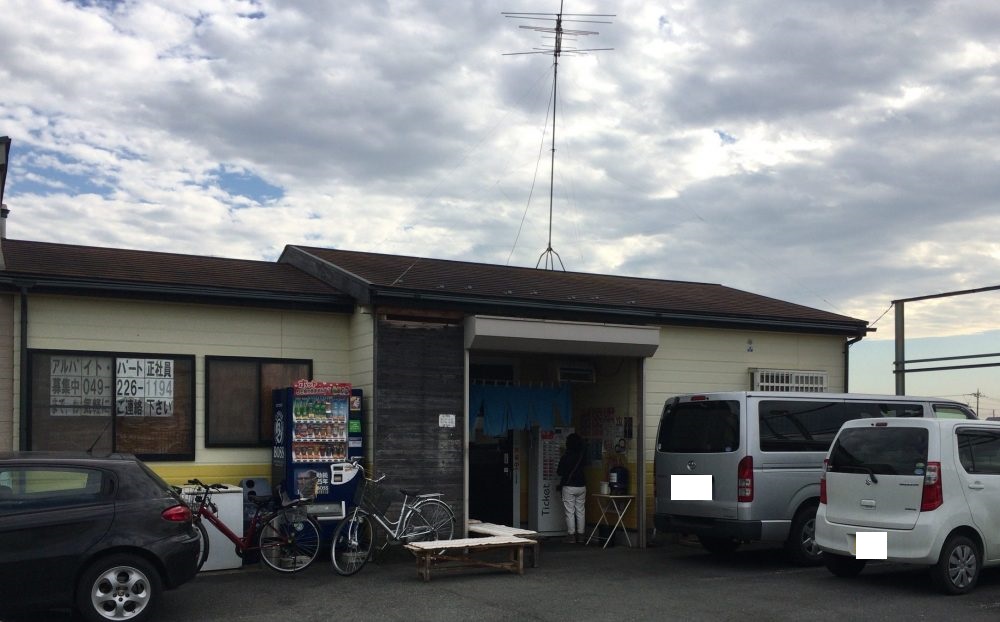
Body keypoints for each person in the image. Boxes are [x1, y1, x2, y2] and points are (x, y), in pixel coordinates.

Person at [556, 432, 586, 543]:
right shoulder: (581, 456)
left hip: (569, 486)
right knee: (580, 511)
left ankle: (571, 535)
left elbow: (559, 472)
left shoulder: (566, 457)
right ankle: (581, 535)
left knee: (569, 511)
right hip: (582, 486)